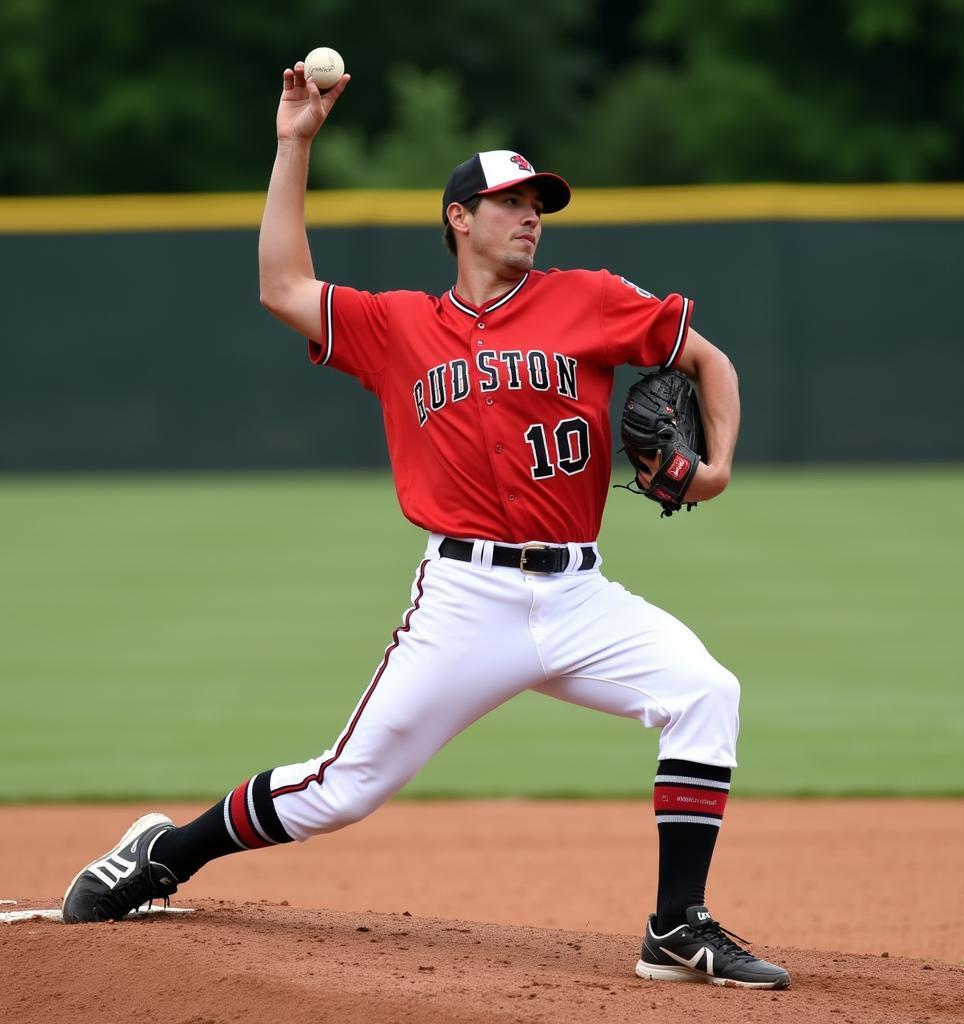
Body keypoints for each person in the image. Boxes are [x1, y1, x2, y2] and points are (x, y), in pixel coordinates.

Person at [62, 61, 789, 990]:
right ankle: (164, 852)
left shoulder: (590, 298)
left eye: (538, 202)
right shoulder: (399, 327)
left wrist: (717, 470)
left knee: (705, 691)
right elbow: (283, 287)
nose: (531, 215)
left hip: (578, 592)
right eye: (510, 201)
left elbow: (707, 360)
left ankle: (675, 927)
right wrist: (295, 144)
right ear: (459, 218)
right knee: (341, 789)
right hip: (466, 598)